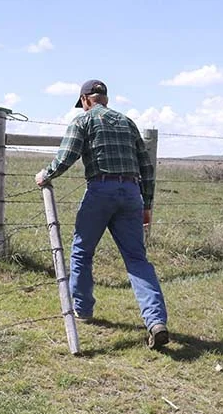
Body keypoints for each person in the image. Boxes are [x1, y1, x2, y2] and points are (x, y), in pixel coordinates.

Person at [35, 79, 169, 349]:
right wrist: (146, 205)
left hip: (100, 190)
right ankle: (156, 321)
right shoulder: (127, 123)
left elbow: (67, 155)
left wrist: (46, 174)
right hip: (131, 192)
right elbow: (146, 166)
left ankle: (83, 309)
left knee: (82, 251)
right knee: (137, 259)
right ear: (105, 98)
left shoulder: (83, 121)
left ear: (86, 99)